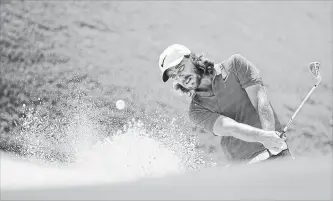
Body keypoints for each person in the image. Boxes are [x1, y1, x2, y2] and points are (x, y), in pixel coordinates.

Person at [158, 44, 294, 165]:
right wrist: (264, 137)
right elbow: (228, 127)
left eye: (181, 68)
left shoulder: (235, 65)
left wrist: (270, 138)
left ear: (192, 58)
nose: (180, 77)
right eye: (174, 76)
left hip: (279, 156)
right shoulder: (196, 110)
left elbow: (260, 100)